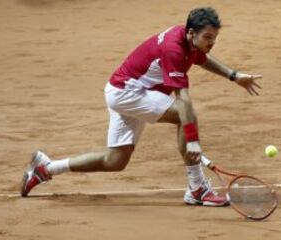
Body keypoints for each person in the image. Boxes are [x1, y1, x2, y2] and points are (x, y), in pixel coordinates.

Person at [20, 7, 261, 206]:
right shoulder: (173, 49)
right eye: (208, 37)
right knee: (184, 115)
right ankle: (197, 188)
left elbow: (202, 59)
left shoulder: (190, 43)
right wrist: (193, 139)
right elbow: (184, 100)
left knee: (115, 161)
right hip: (128, 93)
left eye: (214, 38)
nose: (212, 43)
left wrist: (233, 75)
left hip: (124, 91)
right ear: (191, 34)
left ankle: (46, 168)